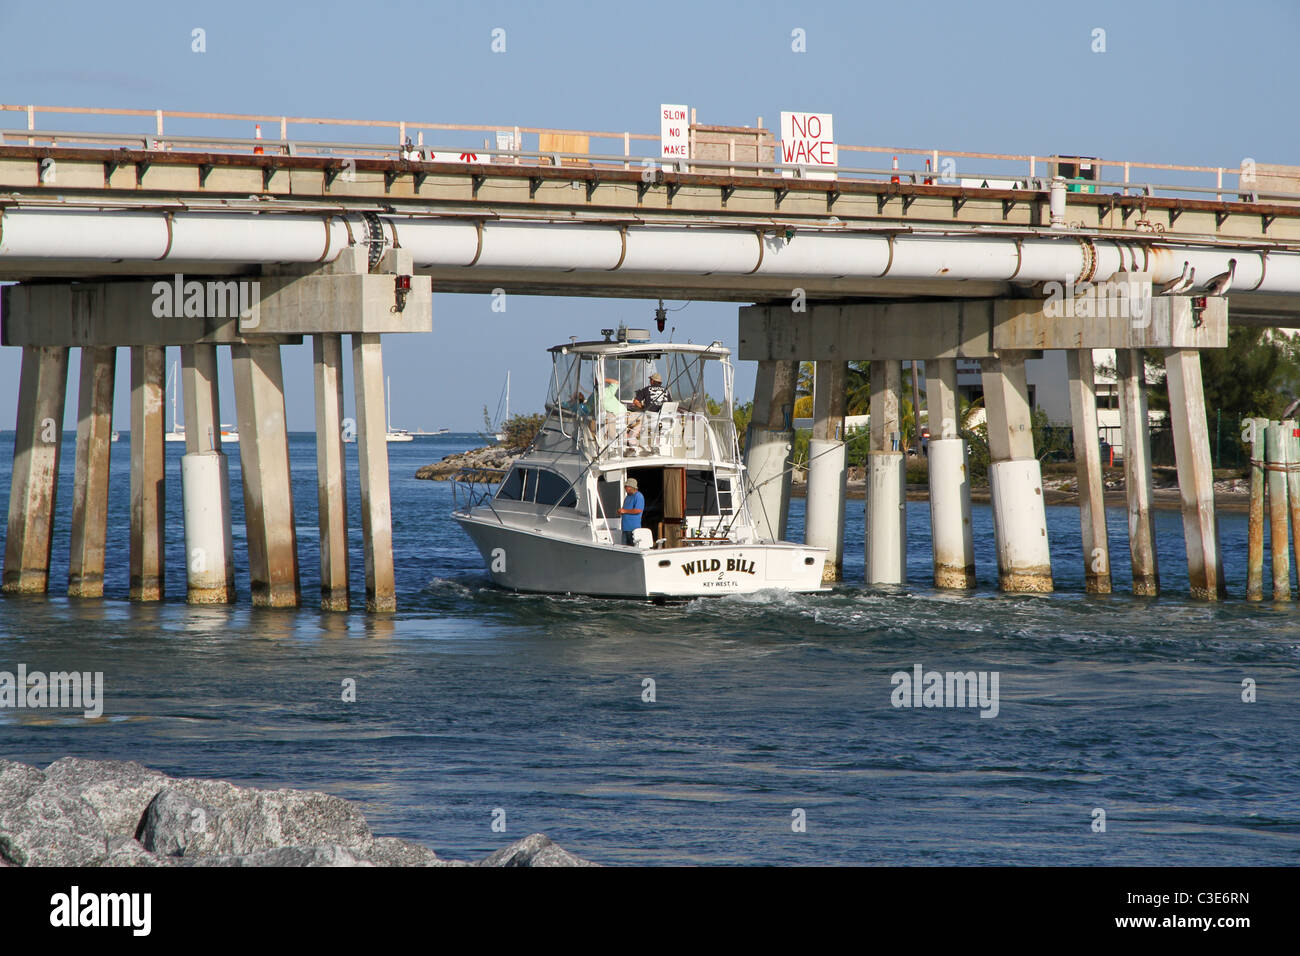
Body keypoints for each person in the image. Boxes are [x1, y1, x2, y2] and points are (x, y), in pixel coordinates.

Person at [628, 372, 672, 446]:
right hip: (665, 421)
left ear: (652, 381)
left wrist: (643, 407)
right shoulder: (666, 391)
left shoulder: (646, 389)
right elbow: (670, 405)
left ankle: (637, 443)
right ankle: (656, 444)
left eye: (650, 379)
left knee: (638, 419)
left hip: (651, 419)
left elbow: (635, 401)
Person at [619, 478, 644, 546]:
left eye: (626, 487)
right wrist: (621, 511)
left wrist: (624, 511)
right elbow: (625, 510)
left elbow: (638, 510)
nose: (625, 488)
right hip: (625, 528)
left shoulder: (638, 496)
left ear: (631, 487)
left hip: (633, 529)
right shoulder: (627, 497)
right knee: (624, 548)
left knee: (632, 548)